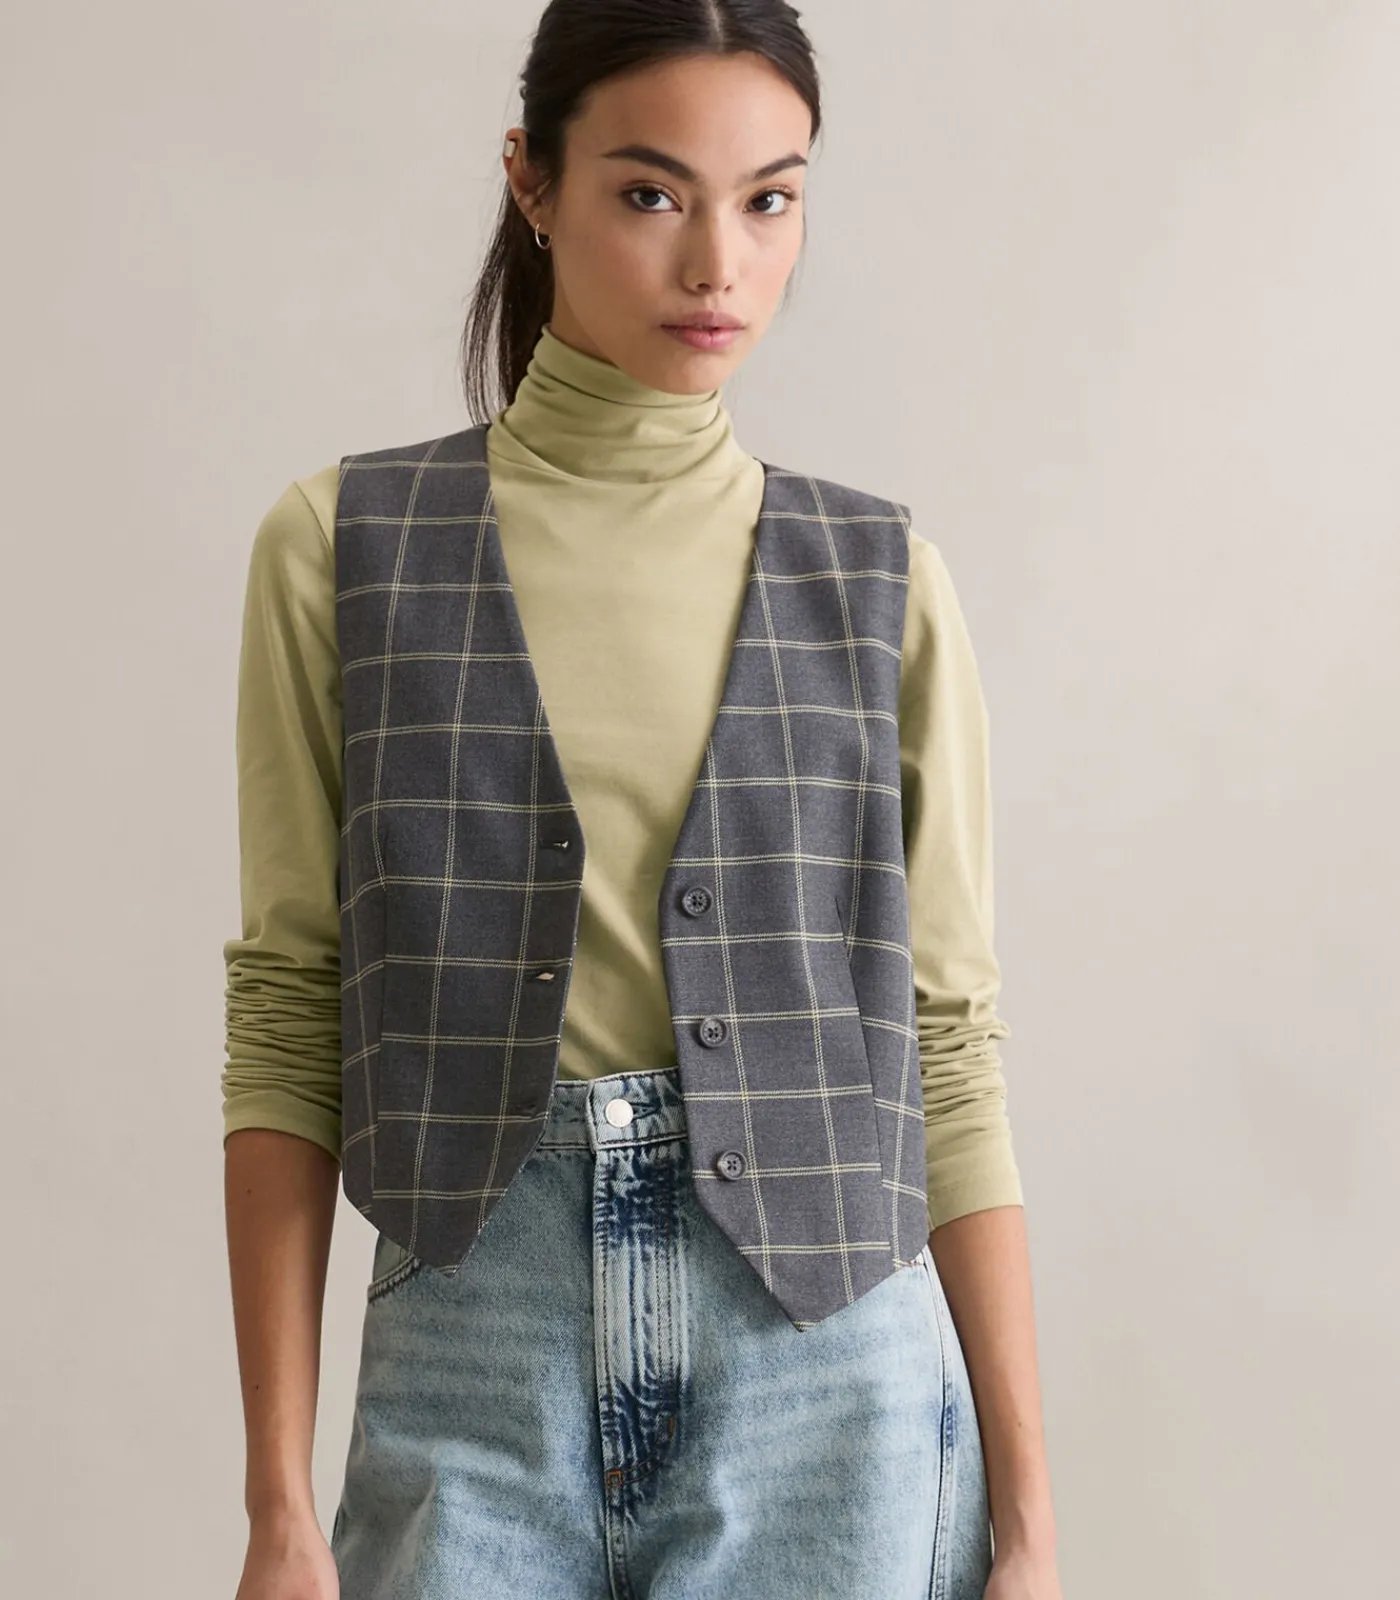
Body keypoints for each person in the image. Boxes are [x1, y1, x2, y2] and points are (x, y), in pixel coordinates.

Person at [221, 4, 1062, 1597]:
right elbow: (288, 1013)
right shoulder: (343, 551)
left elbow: (948, 1049)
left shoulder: (882, 582)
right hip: (478, 1356)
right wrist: (277, 1502)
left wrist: (1029, 1523)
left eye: (771, 199)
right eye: (653, 192)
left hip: (827, 1377)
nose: (718, 265)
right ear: (531, 180)